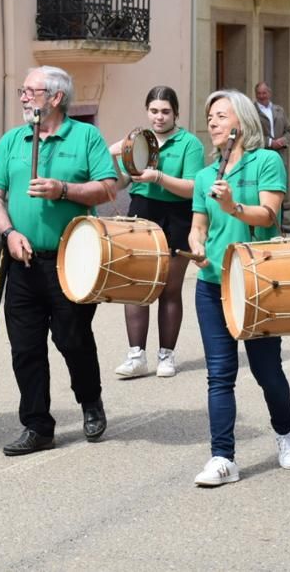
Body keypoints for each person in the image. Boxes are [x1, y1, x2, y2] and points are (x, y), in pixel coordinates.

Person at [0, 65, 116, 456]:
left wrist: (64, 189)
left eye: (31, 90)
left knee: (71, 339)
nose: (23, 96)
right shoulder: (12, 140)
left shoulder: (87, 136)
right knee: (25, 347)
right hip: (21, 261)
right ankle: (38, 426)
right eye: (22, 90)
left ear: (56, 98)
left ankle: (90, 400)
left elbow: (108, 188)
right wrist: (9, 233)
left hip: (72, 259)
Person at [187, 89, 290, 487]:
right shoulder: (205, 175)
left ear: (242, 123)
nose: (213, 123)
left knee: (268, 371)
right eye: (211, 116)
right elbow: (198, 227)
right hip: (212, 284)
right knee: (220, 374)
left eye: (221, 115)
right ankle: (223, 458)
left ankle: (285, 435)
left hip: (257, 280)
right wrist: (196, 246)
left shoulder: (266, 161)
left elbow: (268, 214)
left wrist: (234, 205)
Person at [108, 86, 204, 379]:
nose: (159, 117)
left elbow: (193, 186)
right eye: (154, 111)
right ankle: (136, 355)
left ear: (176, 113)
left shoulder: (190, 143)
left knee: (169, 288)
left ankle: (167, 355)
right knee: (135, 285)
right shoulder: (139, 139)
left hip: (176, 215)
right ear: (146, 111)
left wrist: (159, 177)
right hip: (142, 210)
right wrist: (115, 156)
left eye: (165, 111)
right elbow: (123, 182)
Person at [254, 81, 290, 223]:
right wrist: (270, 142)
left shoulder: (279, 110)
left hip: (280, 154)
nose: (262, 96)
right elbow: (252, 133)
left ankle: (280, 222)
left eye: (264, 93)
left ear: (269, 93)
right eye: (259, 93)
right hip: (262, 153)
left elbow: (289, 130)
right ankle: (268, 220)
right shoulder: (252, 111)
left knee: (280, 186)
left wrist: (283, 141)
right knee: (266, 188)